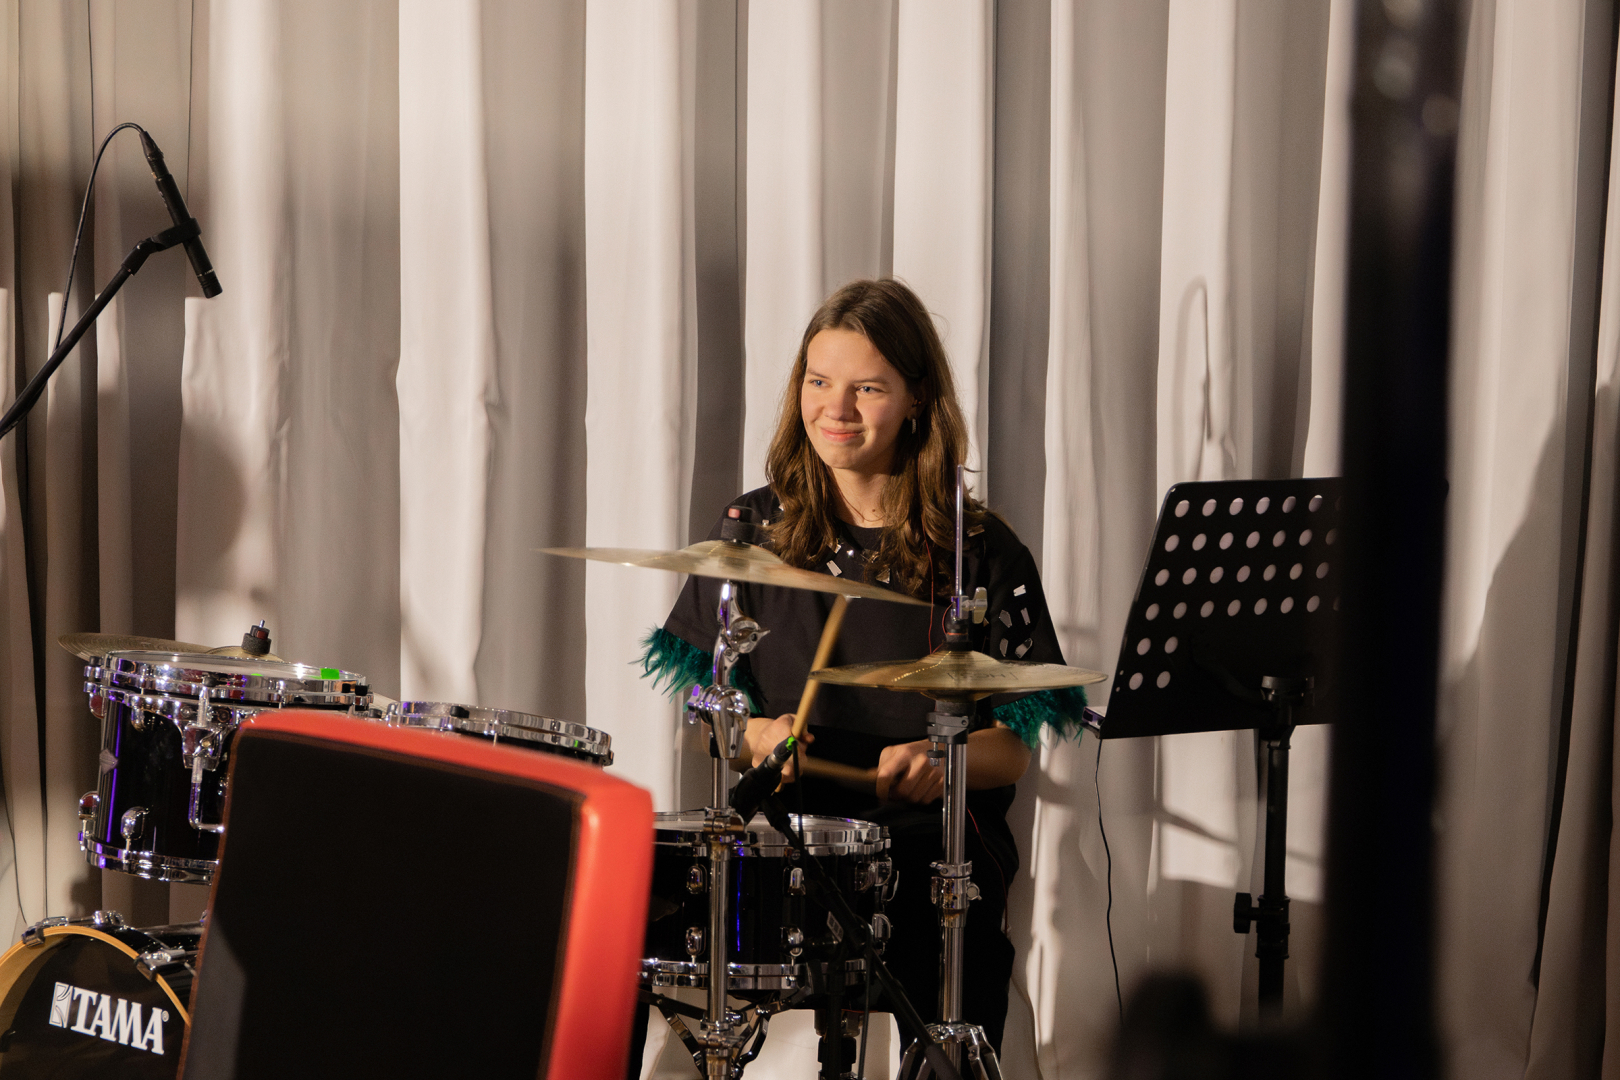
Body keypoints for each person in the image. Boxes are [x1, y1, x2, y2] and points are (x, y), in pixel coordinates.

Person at [641, 278, 1082, 1057]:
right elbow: (709, 708)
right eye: (819, 382)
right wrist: (754, 737)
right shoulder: (751, 527)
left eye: (867, 388)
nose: (835, 409)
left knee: (957, 964)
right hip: (789, 843)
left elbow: (1014, 746)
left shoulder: (978, 551)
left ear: (916, 399)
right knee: (623, 921)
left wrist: (943, 762)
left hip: (931, 848)